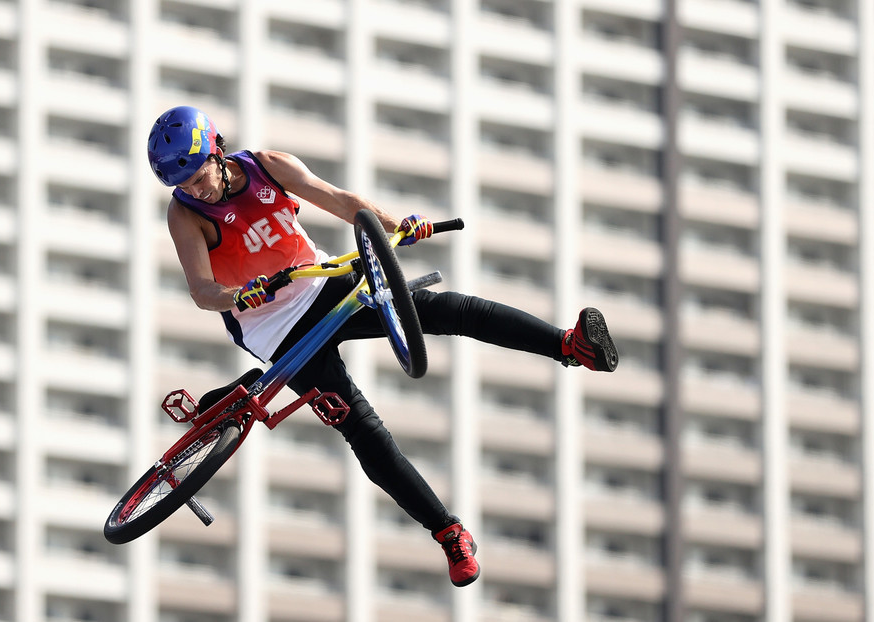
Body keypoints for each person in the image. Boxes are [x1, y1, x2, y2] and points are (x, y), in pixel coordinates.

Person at [148, 105, 619, 587]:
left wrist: (396, 225)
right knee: (363, 428)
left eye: (197, 174)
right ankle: (449, 533)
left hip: (319, 284)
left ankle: (570, 346)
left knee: (441, 309)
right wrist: (239, 295)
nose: (193, 188)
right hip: (272, 326)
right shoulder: (185, 214)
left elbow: (339, 200)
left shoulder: (265, 165)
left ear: (216, 151)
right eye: (180, 183)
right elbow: (202, 291)